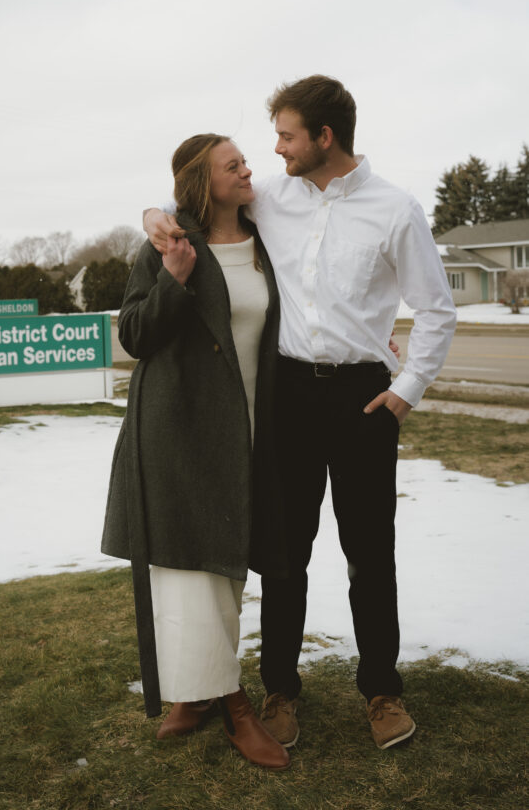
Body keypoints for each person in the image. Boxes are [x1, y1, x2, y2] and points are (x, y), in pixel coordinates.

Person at [143, 75, 457, 752]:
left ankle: (381, 692)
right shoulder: (270, 199)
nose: (274, 150)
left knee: (369, 553)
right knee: (283, 556)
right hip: (286, 396)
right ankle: (279, 690)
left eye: (286, 135)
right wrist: (152, 215)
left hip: (363, 398)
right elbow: (194, 203)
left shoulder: (394, 209)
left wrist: (405, 389)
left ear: (323, 137)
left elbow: (435, 309)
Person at [101, 133, 290, 769]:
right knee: (189, 569)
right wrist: (175, 280)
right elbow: (133, 335)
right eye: (232, 165)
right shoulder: (169, 246)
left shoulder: (266, 237)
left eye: (245, 162)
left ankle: (196, 691)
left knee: (224, 565)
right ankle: (233, 704)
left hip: (253, 425)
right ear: (203, 182)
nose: (247, 170)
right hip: (178, 425)